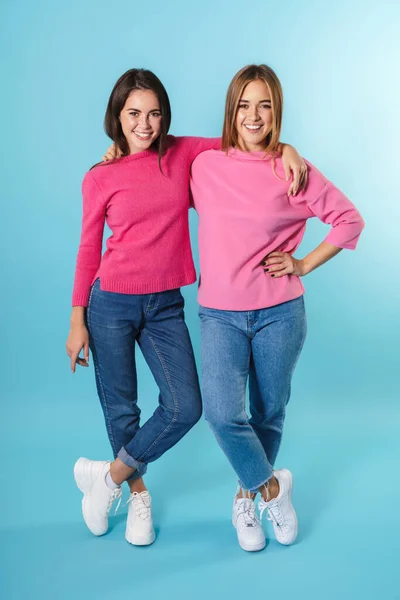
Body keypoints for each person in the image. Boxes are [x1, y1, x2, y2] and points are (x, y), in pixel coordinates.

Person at [66, 67, 307, 547]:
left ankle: (106, 478)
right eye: (133, 114)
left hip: (164, 305)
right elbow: (88, 250)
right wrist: (77, 320)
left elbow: (243, 141)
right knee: (121, 408)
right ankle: (135, 491)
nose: (145, 124)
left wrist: (288, 148)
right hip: (109, 301)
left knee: (185, 405)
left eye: (154, 113)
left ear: (165, 117)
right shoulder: (99, 177)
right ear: (117, 116)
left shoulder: (182, 153)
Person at [190, 64, 365, 552]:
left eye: (264, 104)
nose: (253, 114)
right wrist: (118, 151)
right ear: (231, 110)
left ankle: (244, 498)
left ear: (277, 111)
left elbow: (350, 221)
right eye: (244, 104)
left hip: (280, 314)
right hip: (220, 315)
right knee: (223, 413)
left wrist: (304, 263)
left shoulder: (292, 169)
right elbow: (155, 162)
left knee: (269, 412)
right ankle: (271, 489)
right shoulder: (203, 166)